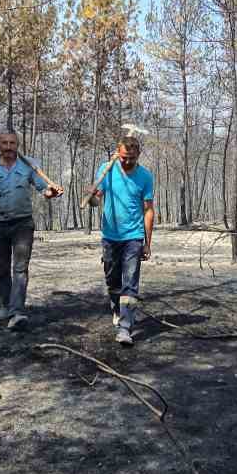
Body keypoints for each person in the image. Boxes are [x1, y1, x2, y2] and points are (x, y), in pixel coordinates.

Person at [0, 131, 63, 330]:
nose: (8, 146)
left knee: (20, 269)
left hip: (22, 224)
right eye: (4, 143)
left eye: (12, 143)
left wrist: (52, 192)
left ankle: (18, 311)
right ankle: (7, 304)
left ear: (17, 144)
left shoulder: (29, 164)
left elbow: (43, 189)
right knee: (1, 268)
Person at [87, 135, 154, 346]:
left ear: (138, 156)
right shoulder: (106, 169)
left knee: (130, 282)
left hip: (133, 236)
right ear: (117, 152)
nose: (127, 162)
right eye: (124, 157)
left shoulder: (145, 176)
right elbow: (96, 201)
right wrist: (91, 196)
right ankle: (116, 307)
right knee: (112, 280)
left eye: (131, 158)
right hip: (110, 236)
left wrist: (147, 242)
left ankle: (125, 328)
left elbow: (149, 210)